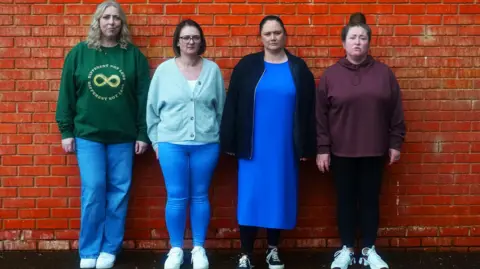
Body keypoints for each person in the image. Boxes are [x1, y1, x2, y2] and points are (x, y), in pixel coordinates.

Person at [55, 1, 150, 268]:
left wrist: (143, 133)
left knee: (119, 191)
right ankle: (89, 249)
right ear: (98, 21)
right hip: (88, 135)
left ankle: (110, 248)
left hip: (123, 137)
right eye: (106, 17)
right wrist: (66, 130)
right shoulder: (80, 53)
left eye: (116, 18)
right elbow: (66, 95)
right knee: (94, 190)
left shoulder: (134, 57)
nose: (111, 22)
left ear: (122, 24)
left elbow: (144, 99)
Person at [220, 15, 317, 269]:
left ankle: (273, 250)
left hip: (284, 147)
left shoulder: (298, 68)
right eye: (268, 34)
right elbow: (233, 105)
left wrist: (307, 145)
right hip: (253, 147)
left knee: (278, 196)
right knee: (250, 197)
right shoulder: (247, 66)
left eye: (277, 33)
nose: (273, 38)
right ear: (260, 38)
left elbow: (308, 110)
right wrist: (229, 141)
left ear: (285, 35)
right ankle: (245, 253)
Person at [315, 12, 406, 269]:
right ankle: (345, 249)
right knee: (344, 200)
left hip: (374, 149)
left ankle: (368, 249)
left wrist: (395, 143)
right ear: (343, 44)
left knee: (369, 201)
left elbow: (395, 111)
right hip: (341, 152)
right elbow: (320, 116)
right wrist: (323, 148)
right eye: (353, 37)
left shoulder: (384, 74)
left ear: (369, 43)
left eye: (362, 38)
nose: (358, 42)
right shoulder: (331, 75)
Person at [146, 19, 225, 269]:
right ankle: (177, 248)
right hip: (171, 142)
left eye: (195, 37)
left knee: (200, 195)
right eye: (185, 37)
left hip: (206, 143)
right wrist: (156, 142)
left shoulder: (212, 70)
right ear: (177, 42)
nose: (190, 41)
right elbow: (151, 110)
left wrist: (219, 138)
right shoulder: (164, 71)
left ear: (201, 41)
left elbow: (221, 108)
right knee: (177, 196)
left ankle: (199, 248)